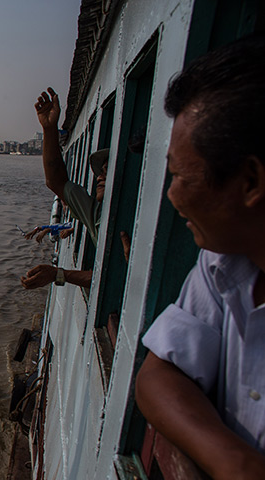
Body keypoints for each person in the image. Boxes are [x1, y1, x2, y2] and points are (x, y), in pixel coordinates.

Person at [135, 35, 265, 479]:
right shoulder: (223, 265)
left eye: (179, 176)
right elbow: (158, 377)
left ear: (250, 181)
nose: (170, 196)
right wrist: (237, 462)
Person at [20, 87, 108, 289]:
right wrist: (49, 129)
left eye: (107, 170)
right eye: (100, 171)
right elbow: (56, 181)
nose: (100, 177)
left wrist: (59, 274)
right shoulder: (95, 211)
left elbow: (116, 280)